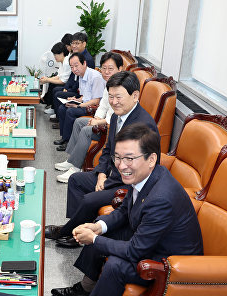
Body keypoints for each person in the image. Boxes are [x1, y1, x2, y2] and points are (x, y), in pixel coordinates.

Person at [51, 124, 203, 296]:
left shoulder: (162, 197)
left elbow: (135, 252)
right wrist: (98, 227)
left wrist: (94, 240)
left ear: (151, 158)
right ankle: (87, 286)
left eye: (129, 158)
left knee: (116, 264)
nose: (122, 166)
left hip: (171, 261)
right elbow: (123, 211)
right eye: (118, 158)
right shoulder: (148, 175)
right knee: (103, 234)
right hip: (153, 241)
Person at [45, 71, 158, 248]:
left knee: (90, 199)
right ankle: (76, 229)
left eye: (118, 97)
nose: (113, 102)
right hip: (111, 176)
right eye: (110, 97)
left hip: (127, 183)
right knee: (76, 180)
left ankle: (69, 232)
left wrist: (110, 180)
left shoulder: (144, 125)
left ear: (135, 96)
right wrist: (101, 175)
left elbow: (142, 170)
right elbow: (107, 150)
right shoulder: (115, 116)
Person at [55, 52, 124, 183]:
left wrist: (99, 122)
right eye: (104, 68)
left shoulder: (123, 88)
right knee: (79, 122)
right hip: (105, 120)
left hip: (115, 128)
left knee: (87, 130)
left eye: (110, 68)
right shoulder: (109, 84)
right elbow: (103, 106)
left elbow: (118, 117)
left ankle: (76, 168)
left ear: (120, 69)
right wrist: (97, 118)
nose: (106, 72)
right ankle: (71, 160)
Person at [52, 53, 105, 151]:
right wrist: (77, 100)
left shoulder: (95, 77)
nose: (74, 69)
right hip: (86, 103)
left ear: (84, 63)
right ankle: (65, 137)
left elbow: (96, 100)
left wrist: (79, 106)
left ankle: (70, 142)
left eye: (76, 66)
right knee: (63, 108)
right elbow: (85, 95)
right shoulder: (81, 75)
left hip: (94, 107)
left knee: (71, 111)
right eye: (72, 67)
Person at [39, 42, 71, 113]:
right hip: (65, 82)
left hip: (69, 85)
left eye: (55, 55)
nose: (54, 57)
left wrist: (48, 80)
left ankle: (54, 109)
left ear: (62, 53)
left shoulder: (67, 63)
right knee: (52, 82)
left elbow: (63, 81)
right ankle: (51, 106)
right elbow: (58, 76)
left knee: (54, 86)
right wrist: (46, 79)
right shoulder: (62, 62)